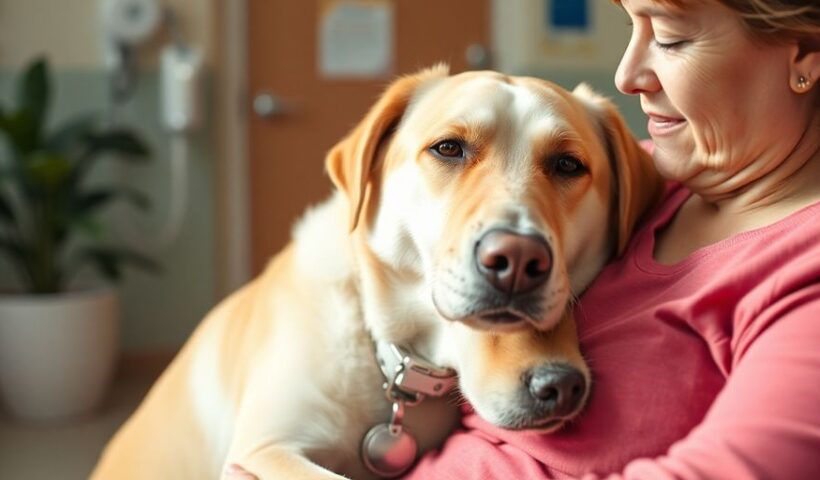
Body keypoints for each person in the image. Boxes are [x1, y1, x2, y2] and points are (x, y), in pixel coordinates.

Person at [228, 0, 819, 478]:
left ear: (807, 55)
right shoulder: (637, 178)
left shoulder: (803, 266)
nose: (627, 75)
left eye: (669, 36)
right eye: (629, 26)